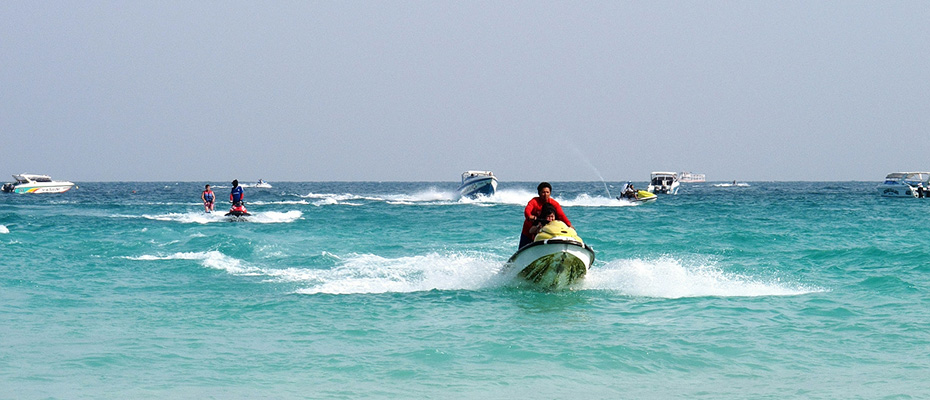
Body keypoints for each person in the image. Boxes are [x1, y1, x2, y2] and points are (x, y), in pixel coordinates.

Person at [520, 182, 571, 248]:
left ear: (550, 193)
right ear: (539, 193)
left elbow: (561, 215)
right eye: (543, 192)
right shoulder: (534, 201)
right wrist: (529, 216)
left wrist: (569, 225)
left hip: (544, 231)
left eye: (547, 192)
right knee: (523, 249)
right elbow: (527, 210)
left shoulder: (554, 203)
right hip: (529, 230)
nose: (545, 194)